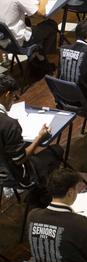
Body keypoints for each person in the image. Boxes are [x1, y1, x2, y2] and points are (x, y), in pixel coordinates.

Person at [0, 74, 63, 203]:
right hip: (16, 176)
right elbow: (20, 159)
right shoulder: (8, 124)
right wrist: (39, 138)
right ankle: (41, 194)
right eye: (14, 96)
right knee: (56, 151)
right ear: (6, 94)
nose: (14, 100)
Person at [0, 0, 57, 73]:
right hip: (18, 42)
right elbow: (41, 13)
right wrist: (43, 1)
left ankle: (37, 54)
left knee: (27, 22)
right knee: (51, 25)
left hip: (3, 42)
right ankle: (40, 59)